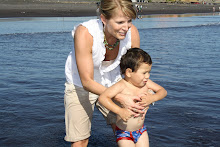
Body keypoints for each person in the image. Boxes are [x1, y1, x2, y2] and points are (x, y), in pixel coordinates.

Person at [64, 0, 146, 146]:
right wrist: (121, 97)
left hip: (112, 80)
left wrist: (143, 92)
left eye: (129, 21)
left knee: (127, 127)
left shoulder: (132, 32)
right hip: (80, 84)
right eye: (120, 22)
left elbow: (135, 71)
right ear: (103, 19)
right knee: (80, 140)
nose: (126, 27)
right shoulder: (85, 33)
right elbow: (87, 81)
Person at [99, 48, 167, 147]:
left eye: (149, 72)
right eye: (144, 73)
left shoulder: (146, 83)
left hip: (141, 130)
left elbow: (163, 91)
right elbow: (103, 98)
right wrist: (120, 111)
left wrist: (152, 98)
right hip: (124, 132)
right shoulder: (121, 85)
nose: (148, 76)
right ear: (129, 72)